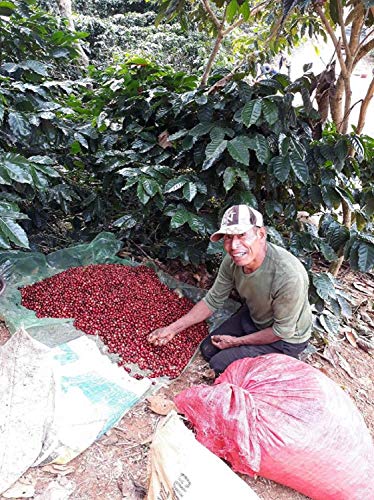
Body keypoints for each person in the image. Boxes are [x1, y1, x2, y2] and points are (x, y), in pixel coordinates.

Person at [148, 205, 312, 375]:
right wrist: (171, 329)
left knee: (219, 364)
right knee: (208, 349)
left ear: (261, 234)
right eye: (228, 237)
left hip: (286, 338)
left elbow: (280, 331)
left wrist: (236, 342)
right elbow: (212, 301)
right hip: (256, 317)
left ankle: (281, 362)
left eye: (242, 235)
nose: (234, 245)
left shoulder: (288, 276)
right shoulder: (232, 261)